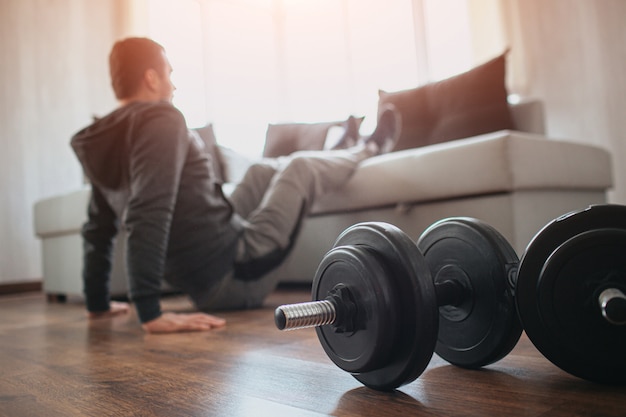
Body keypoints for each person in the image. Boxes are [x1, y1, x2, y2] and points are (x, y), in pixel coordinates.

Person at [71, 37, 400, 334]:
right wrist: (150, 312)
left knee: (259, 171)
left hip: (213, 253)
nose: (173, 85)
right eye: (169, 73)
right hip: (234, 275)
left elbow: (97, 227)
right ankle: (369, 148)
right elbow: (148, 210)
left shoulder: (104, 139)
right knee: (300, 167)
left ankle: (339, 152)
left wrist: (97, 304)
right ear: (151, 78)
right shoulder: (161, 119)